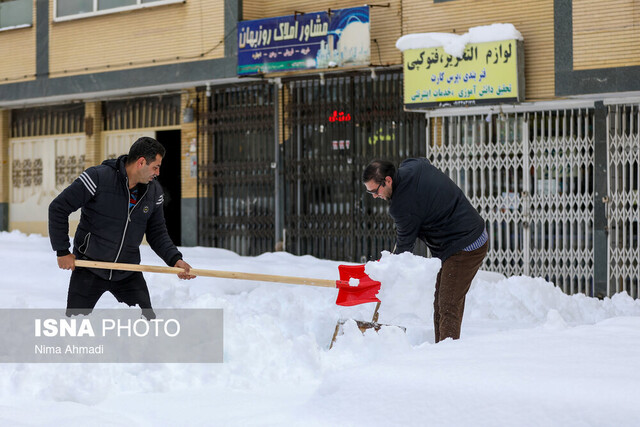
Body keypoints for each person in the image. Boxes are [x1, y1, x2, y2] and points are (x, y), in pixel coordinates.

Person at [49, 136, 195, 320]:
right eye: (155, 167)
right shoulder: (97, 178)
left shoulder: (154, 192)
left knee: (147, 325)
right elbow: (58, 208)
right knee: (75, 327)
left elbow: (157, 232)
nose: (157, 173)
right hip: (89, 267)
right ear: (141, 162)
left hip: (127, 270)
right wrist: (62, 251)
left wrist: (175, 259)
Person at [362, 158, 488, 343]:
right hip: (460, 238)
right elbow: (423, 161)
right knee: (440, 302)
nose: (374, 196)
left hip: (466, 244)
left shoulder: (402, 206)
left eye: (375, 191)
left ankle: (447, 357)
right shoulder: (410, 166)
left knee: (448, 304)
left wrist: (388, 274)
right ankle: (440, 350)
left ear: (388, 180)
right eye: (369, 192)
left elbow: (405, 247)